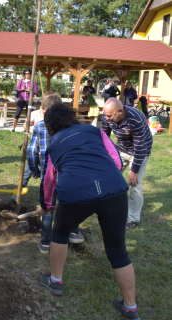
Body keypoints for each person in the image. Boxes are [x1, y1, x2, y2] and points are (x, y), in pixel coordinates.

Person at [39, 103, 141, 320]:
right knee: (118, 251)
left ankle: (56, 281)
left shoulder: (54, 144)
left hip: (75, 194)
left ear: (50, 126)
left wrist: (47, 204)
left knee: (60, 233)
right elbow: (115, 158)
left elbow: (48, 180)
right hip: (114, 190)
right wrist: (105, 181)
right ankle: (130, 308)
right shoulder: (95, 131)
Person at [27, 94, 84, 254]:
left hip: (49, 179)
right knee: (72, 204)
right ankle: (74, 232)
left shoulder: (39, 127)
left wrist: (34, 170)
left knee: (47, 208)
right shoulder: (71, 126)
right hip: (70, 176)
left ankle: (46, 242)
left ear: (43, 111)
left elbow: (31, 151)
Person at [102, 98, 153, 230]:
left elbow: (140, 147)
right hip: (121, 149)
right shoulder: (107, 116)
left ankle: (132, 217)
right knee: (109, 177)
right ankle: (108, 206)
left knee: (134, 183)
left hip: (140, 151)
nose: (106, 119)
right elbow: (104, 138)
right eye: (105, 115)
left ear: (119, 111)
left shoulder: (135, 118)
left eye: (110, 116)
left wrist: (134, 171)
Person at [13, 67, 38, 132]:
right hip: (21, 99)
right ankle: (13, 128)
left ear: (30, 74)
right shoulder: (21, 81)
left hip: (29, 100)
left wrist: (30, 91)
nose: (27, 74)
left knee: (28, 115)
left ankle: (26, 129)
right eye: (26, 73)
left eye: (28, 73)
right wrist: (22, 89)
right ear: (24, 74)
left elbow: (36, 92)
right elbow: (17, 90)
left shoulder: (33, 82)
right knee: (17, 114)